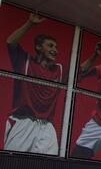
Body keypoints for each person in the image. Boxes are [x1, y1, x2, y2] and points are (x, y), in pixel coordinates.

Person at [4, 13, 63, 155]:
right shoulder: (25, 61)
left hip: (46, 127)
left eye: (56, 46)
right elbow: (11, 42)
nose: (55, 49)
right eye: (50, 45)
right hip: (23, 123)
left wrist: (94, 56)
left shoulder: (59, 70)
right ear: (38, 47)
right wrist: (30, 23)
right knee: (11, 168)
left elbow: (81, 69)